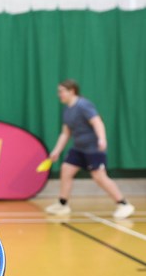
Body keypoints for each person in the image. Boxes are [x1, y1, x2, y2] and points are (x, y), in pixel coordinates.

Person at [45, 79, 135, 219]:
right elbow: (66, 133)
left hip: (93, 148)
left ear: (72, 91)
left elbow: (97, 122)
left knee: (99, 177)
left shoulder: (83, 105)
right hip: (78, 148)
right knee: (66, 169)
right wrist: (57, 150)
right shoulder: (67, 110)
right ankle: (62, 204)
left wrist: (102, 139)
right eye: (59, 91)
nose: (59, 94)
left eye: (62, 91)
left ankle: (123, 204)